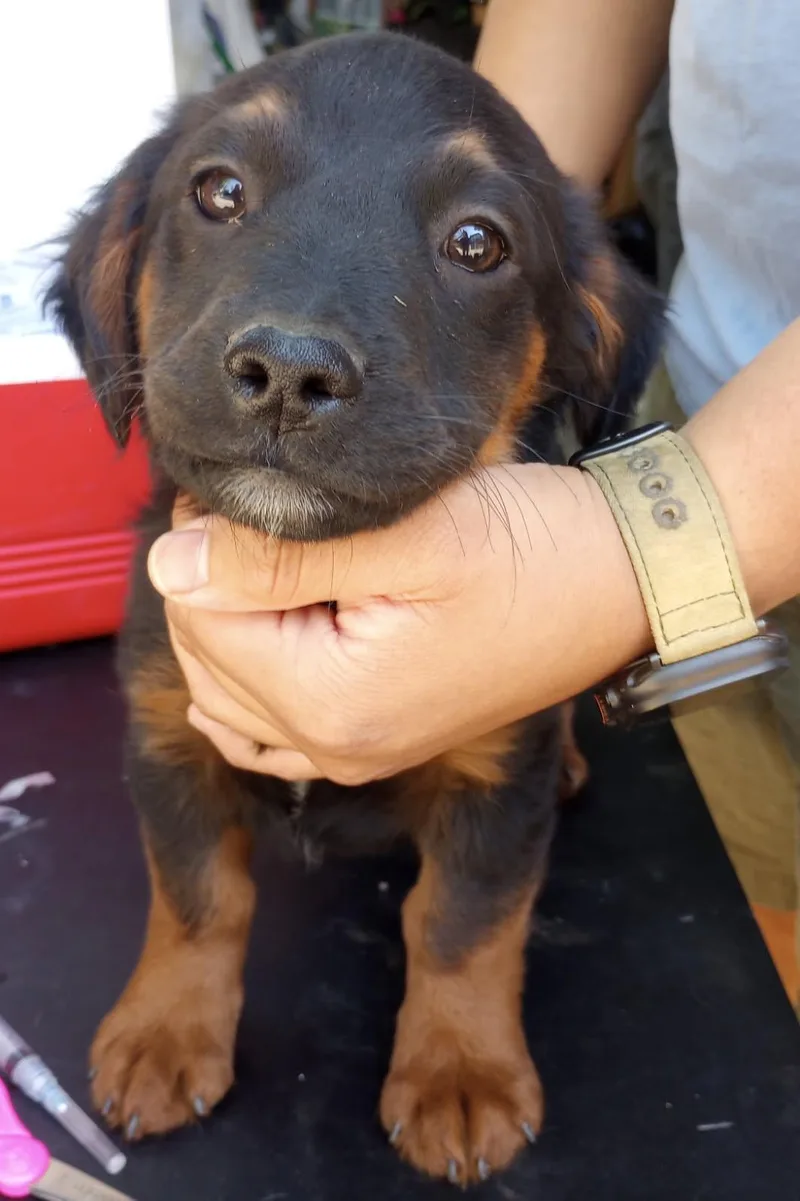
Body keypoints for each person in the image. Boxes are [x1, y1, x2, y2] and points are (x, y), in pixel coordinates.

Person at [148, 2, 800, 989]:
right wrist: (497, 201)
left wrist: (627, 555)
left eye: (473, 244)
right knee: (756, 870)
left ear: (585, 354)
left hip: (703, 503)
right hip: (714, 410)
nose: (291, 358)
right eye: (223, 191)